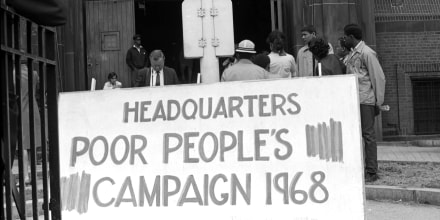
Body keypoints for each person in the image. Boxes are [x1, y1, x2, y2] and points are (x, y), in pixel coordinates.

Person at [343, 24, 386, 182]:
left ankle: (372, 171)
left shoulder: (367, 53)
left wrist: (378, 102)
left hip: (365, 99)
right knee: (358, 135)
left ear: (352, 37)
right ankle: (362, 168)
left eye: (345, 37)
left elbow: (378, 77)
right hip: (355, 99)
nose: (344, 39)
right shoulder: (353, 53)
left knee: (368, 135)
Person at [20, 63, 41, 184]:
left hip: (21, 110)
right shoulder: (34, 74)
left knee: (23, 146)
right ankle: (34, 175)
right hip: (33, 110)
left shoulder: (14, 74)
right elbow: (37, 89)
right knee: (32, 144)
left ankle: (26, 176)